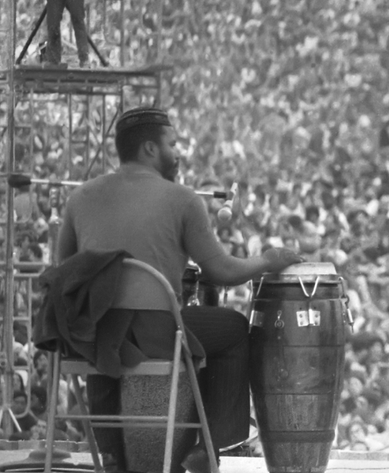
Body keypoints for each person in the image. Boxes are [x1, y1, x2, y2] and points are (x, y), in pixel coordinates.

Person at [55, 106, 304, 473]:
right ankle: (208, 447)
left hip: (89, 338)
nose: (179, 151)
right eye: (173, 143)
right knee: (233, 330)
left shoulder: (79, 198)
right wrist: (267, 259)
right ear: (150, 149)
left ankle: (109, 452)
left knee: (104, 326)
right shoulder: (183, 199)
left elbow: (63, 273)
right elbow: (221, 271)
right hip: (156, 335)